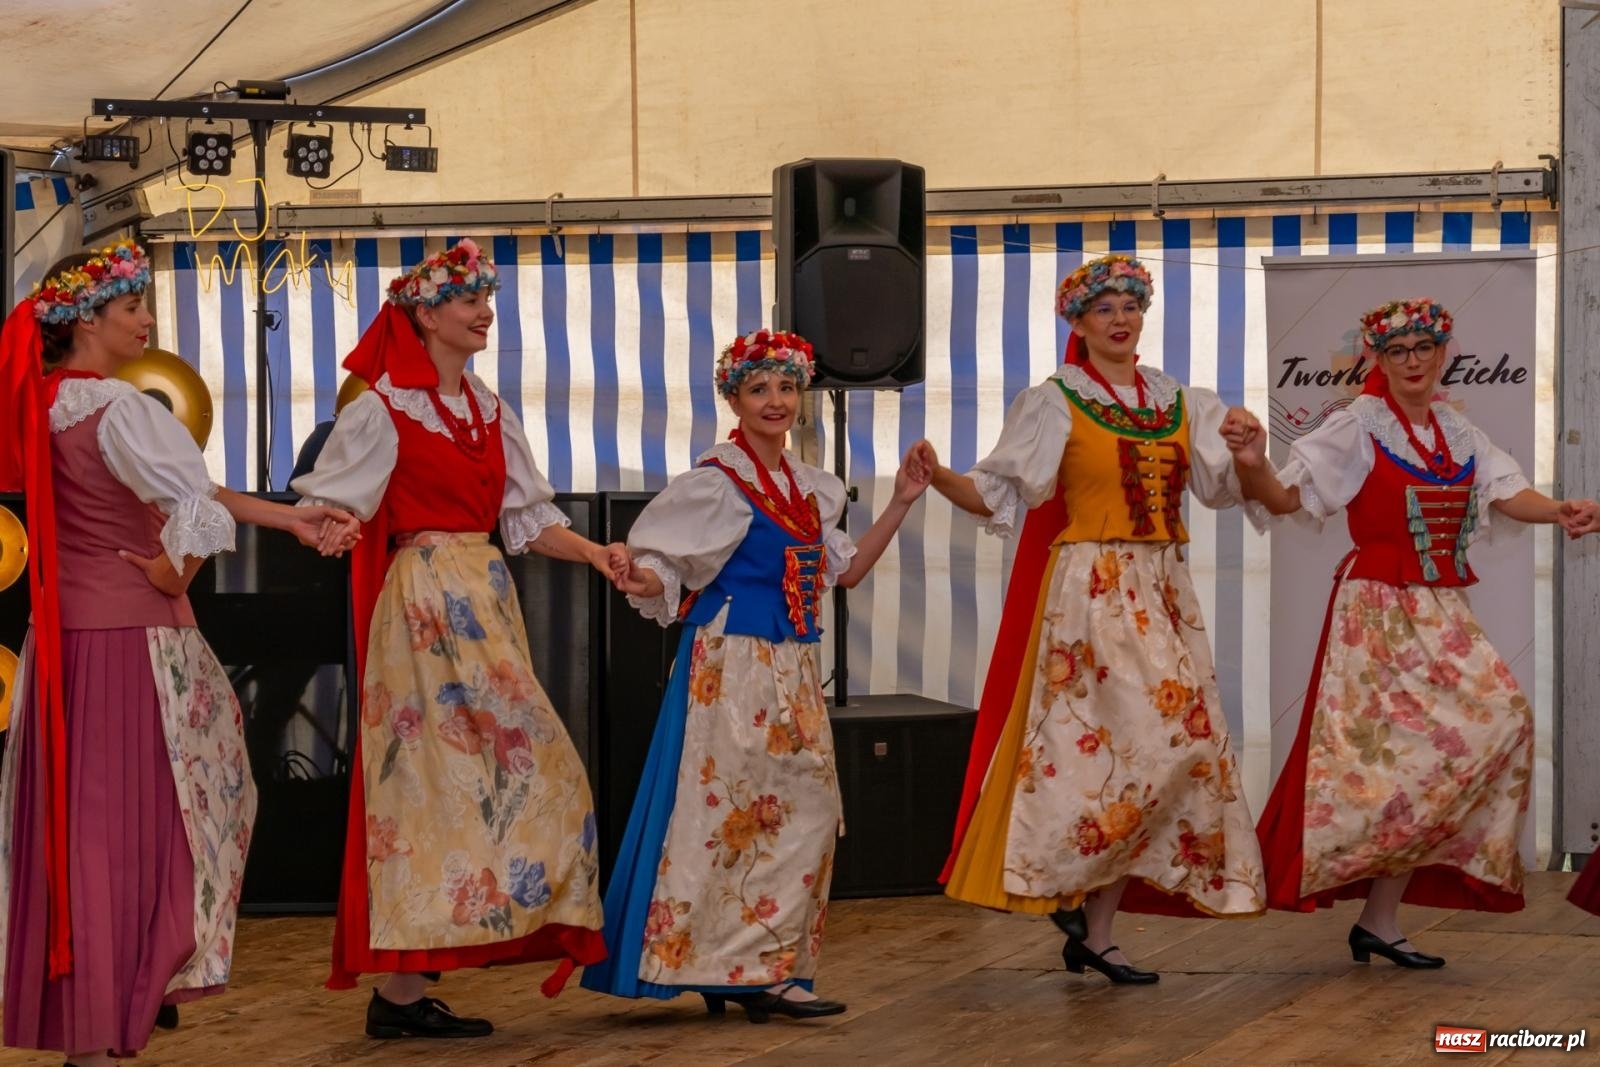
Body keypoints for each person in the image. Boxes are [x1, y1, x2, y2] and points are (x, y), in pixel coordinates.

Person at [0, 241, 359, 1067]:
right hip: (137, 640)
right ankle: (119, 1005)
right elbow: (190, 508)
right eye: (132, 307)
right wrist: (172, 567)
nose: (148, 320)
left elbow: (186, 488)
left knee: (84, 827)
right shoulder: (122, 408)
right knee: (164, 821)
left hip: (65, 640)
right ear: (87, 318)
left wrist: (293, 519)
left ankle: (90, 1019)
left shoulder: (48, 404)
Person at [291, 239, 625, 1038]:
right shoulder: (379, 408)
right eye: (469, 301)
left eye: (487, 301)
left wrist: (599, 556)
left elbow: (529, 518)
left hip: (486, 597)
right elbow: (333, 505)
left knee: (541, 772)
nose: (483, 314)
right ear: (426, 314)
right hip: (421, 607)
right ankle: (400, 995)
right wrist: (334, 529)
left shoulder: (489, 410)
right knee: (424, 791)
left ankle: (425, 976)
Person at [1232, 297, 1600, 966]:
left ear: (1442, 354)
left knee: (1501, 721)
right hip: (1373, 610)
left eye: (1424, 348)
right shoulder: (1358, 425)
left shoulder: (1458, 432)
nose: (1412, 361)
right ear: (1378, 359)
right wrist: (1256, 460)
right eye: (1398, 351)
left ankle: (1378, 916)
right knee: (1377, 764)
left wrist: (1561, 509)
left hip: (1440, 611)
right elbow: (1287, 499)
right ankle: (1372, 908)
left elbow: (1506, 491)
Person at [929, 254, 1266, 985]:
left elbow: (1223, 489)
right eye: (1105, 308)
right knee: (1098, 752)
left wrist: (1248, 452)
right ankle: (1073, 897)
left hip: (1165, 588)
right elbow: (997, 493)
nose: (1121, 319)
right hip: (1091, 588)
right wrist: (934, 476)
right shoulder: (1054, 400)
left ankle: (1095, 924)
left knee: (1179, 743)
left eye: (1130, 306)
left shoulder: (1181, 400)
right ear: (1078, 323)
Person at [581, 328, 930, 1020]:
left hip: (792, 666)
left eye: (786, 386)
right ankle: (739, 970)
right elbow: (669, 570)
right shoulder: (717, 483)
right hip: (732, 663)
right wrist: (637, 570)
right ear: (735, 398)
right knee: (731, 811)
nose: (776, 400)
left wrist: (901, 501)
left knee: (810, 809)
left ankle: (767, 964)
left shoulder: (809, 488)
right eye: (759, 387)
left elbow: (847, 570)